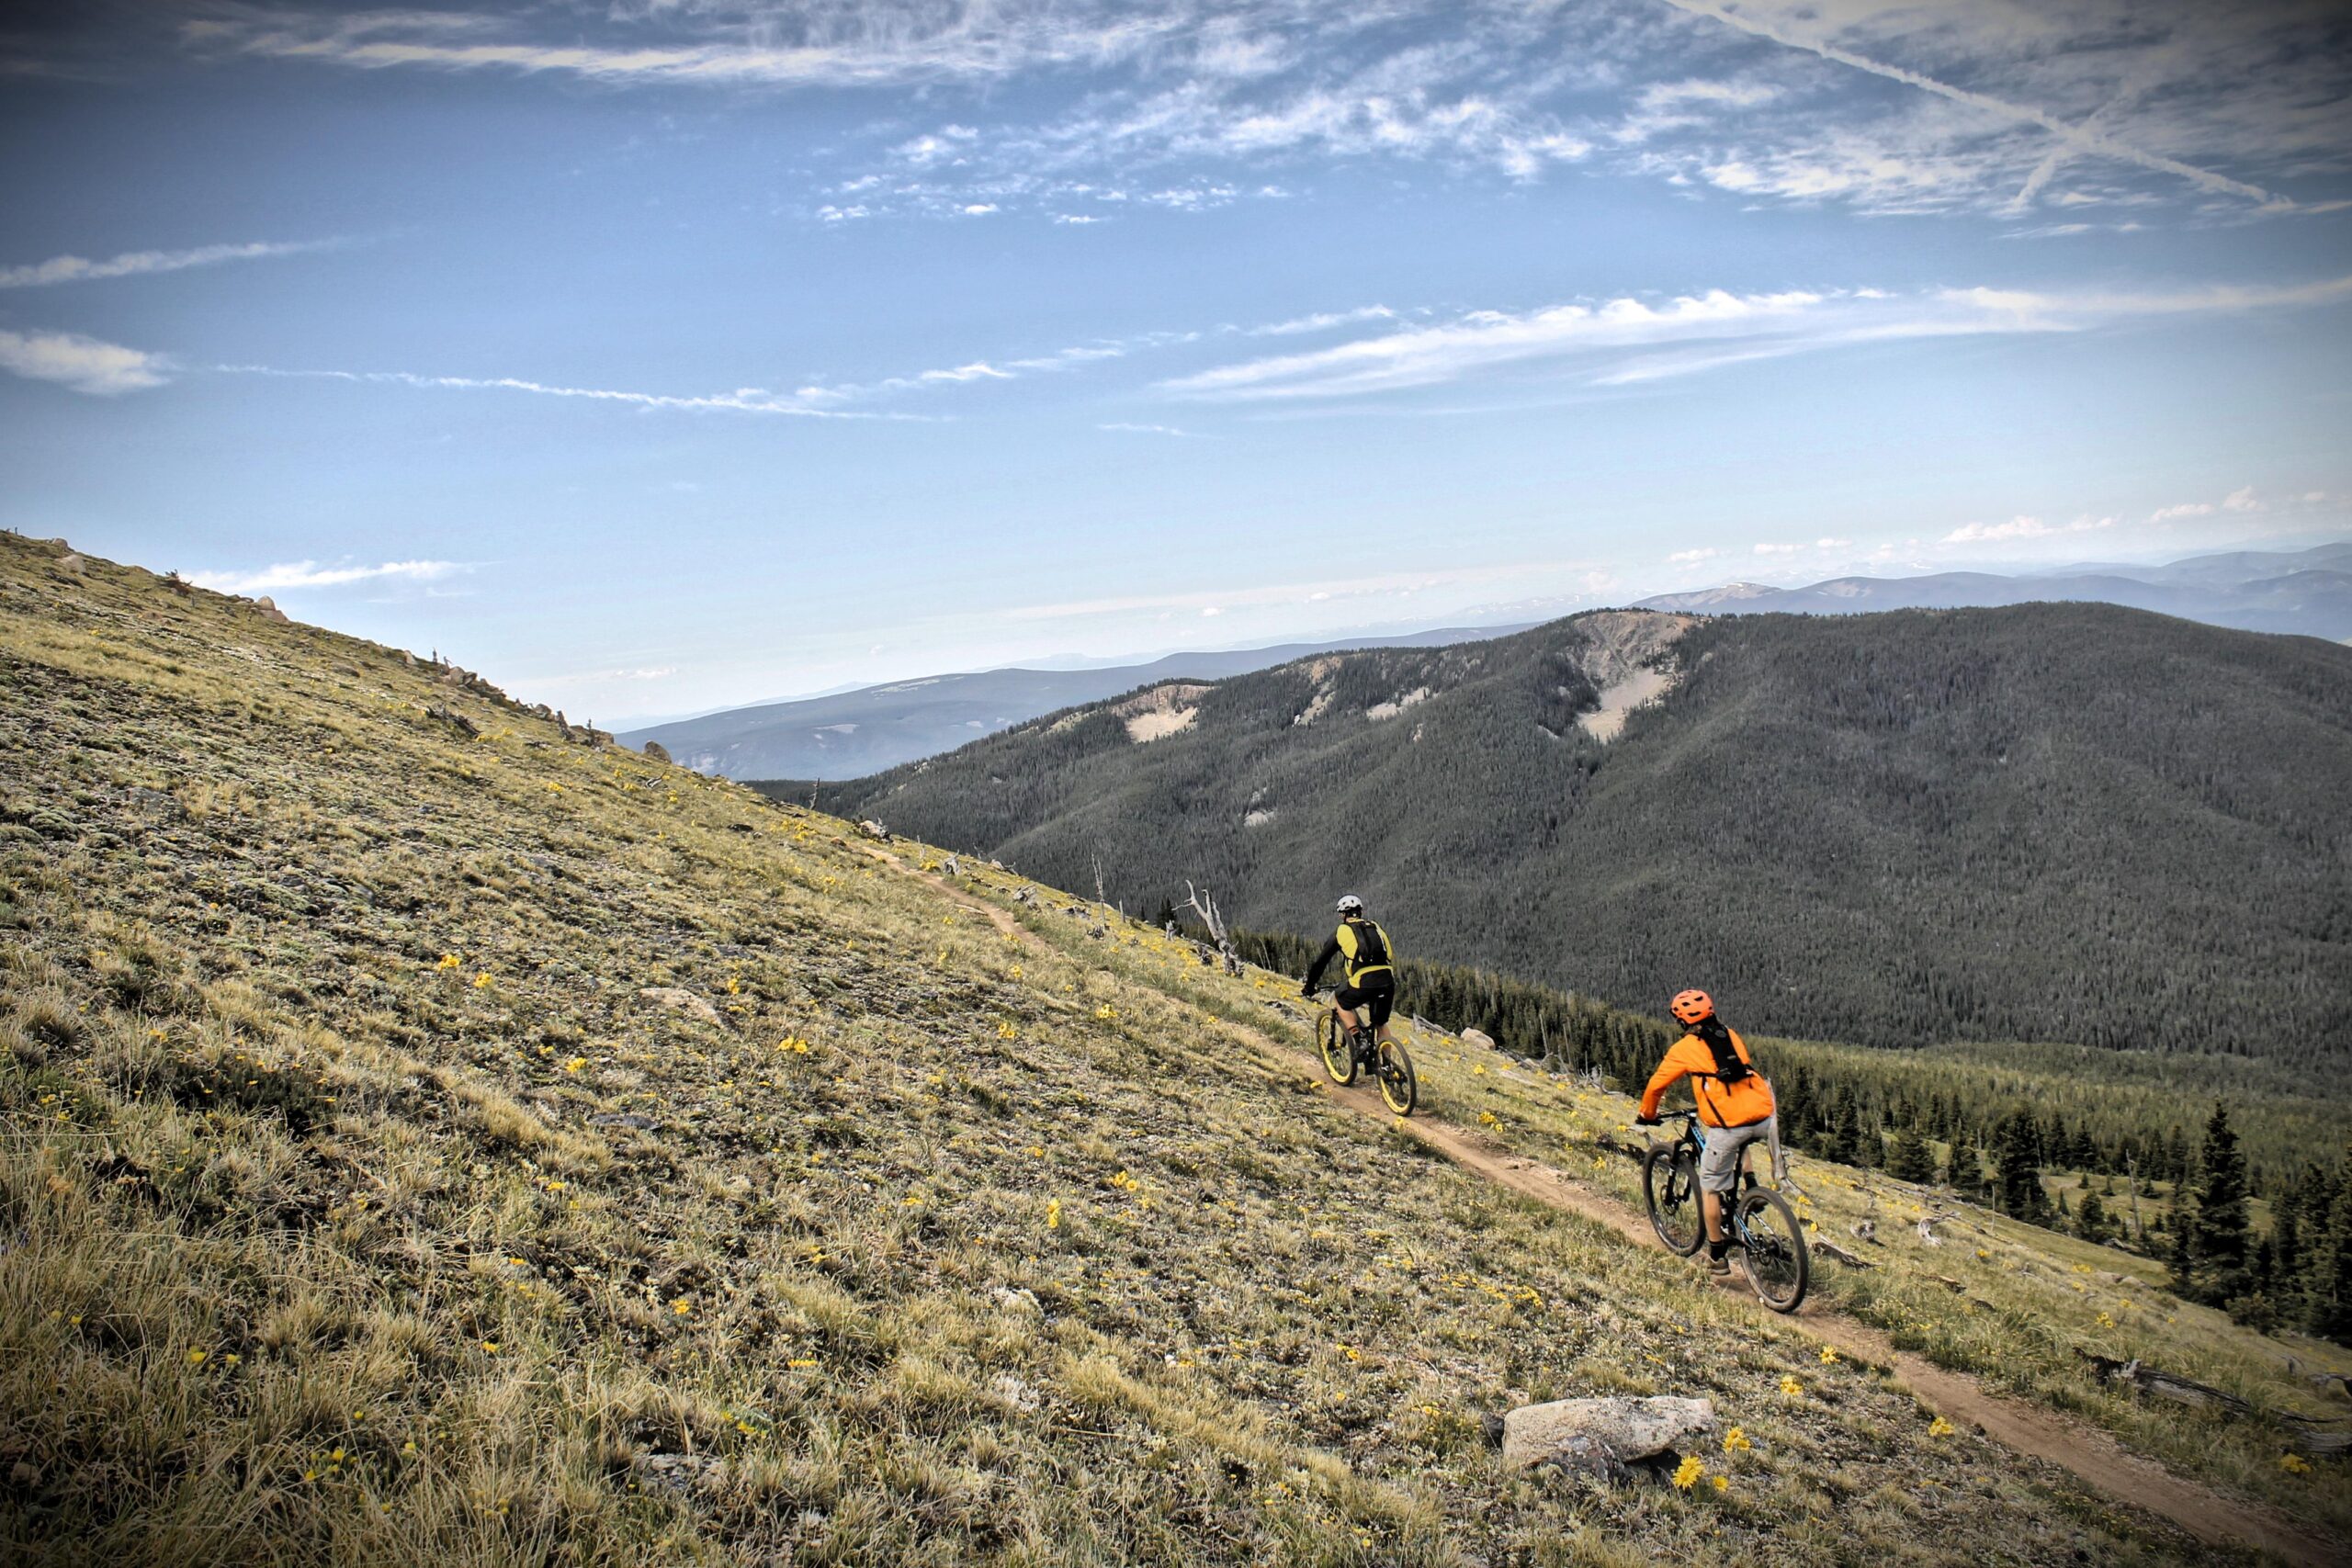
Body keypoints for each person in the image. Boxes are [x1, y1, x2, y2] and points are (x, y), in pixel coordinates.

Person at [1635, 989, 1776, 1276]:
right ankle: (1751, 1188)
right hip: (1761, 1115)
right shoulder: (1729, 1035)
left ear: (1682, 1021)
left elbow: (1656, 1085)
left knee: (1710, 1187)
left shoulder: (1684, 1049)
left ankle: (1717, 1256)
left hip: (1728, 1123)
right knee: (1741, 1139)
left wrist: (1647, 1114)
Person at [1300, 895, 1397, 1059]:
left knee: (1340, 1000)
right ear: (1359, 912)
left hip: (1363, 981)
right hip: (1387, 979)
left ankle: (1360, 1041)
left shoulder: (1342, 931)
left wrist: (1310, 986)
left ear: (1344, 915)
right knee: (1381, 1023)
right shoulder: (1375, 926)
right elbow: (1389, 951)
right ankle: (1387, 1066)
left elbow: (1320, 962)